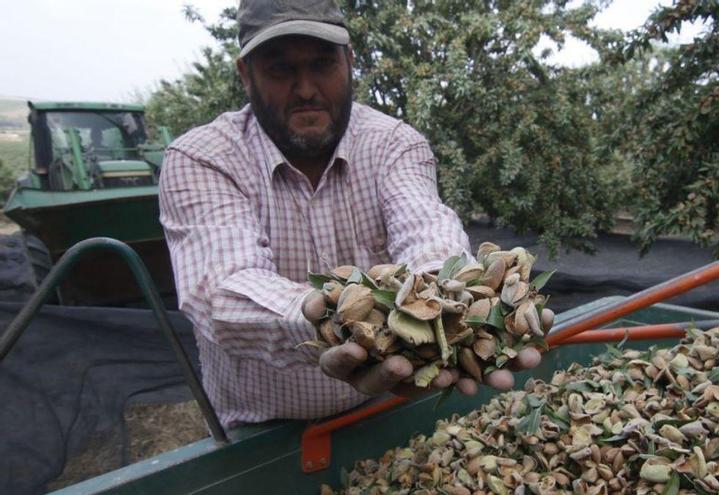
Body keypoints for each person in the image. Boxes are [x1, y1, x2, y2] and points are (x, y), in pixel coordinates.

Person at [158, 0, 543, 428]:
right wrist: (331, 321)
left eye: (323, 65)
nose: (305, 89)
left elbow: (425, 230)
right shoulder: (202, 158)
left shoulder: (393, 144)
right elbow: (222, 290)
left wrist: (453, 302)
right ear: (246, 74)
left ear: (350, 62)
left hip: (390, 406)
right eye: (281, 70)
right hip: (263, 428)